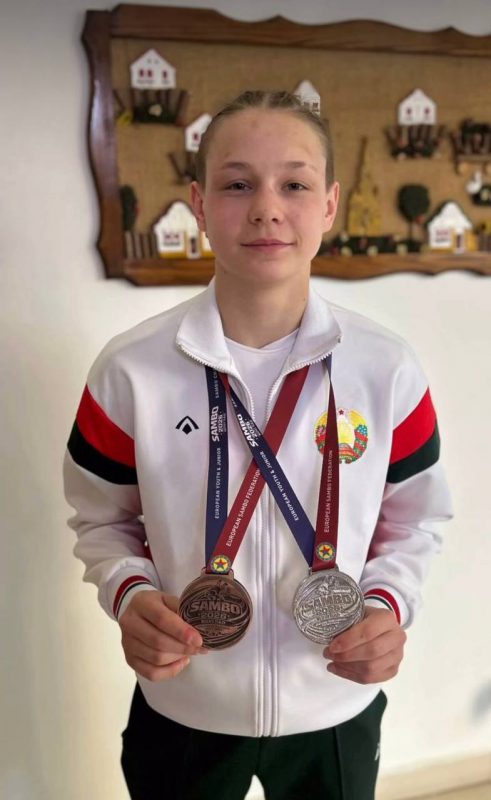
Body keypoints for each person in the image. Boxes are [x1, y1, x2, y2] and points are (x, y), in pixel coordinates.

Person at [63, 90, 453, 800]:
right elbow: (101, 518)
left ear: (329, 205)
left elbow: (415, 519)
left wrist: (388, 605)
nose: (267, 208)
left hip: (334, 704)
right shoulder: (130, 370)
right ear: (198, 202)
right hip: (182, 703)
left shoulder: (386, 369)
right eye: (237, 184)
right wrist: (129, 593)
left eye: (294, 185)